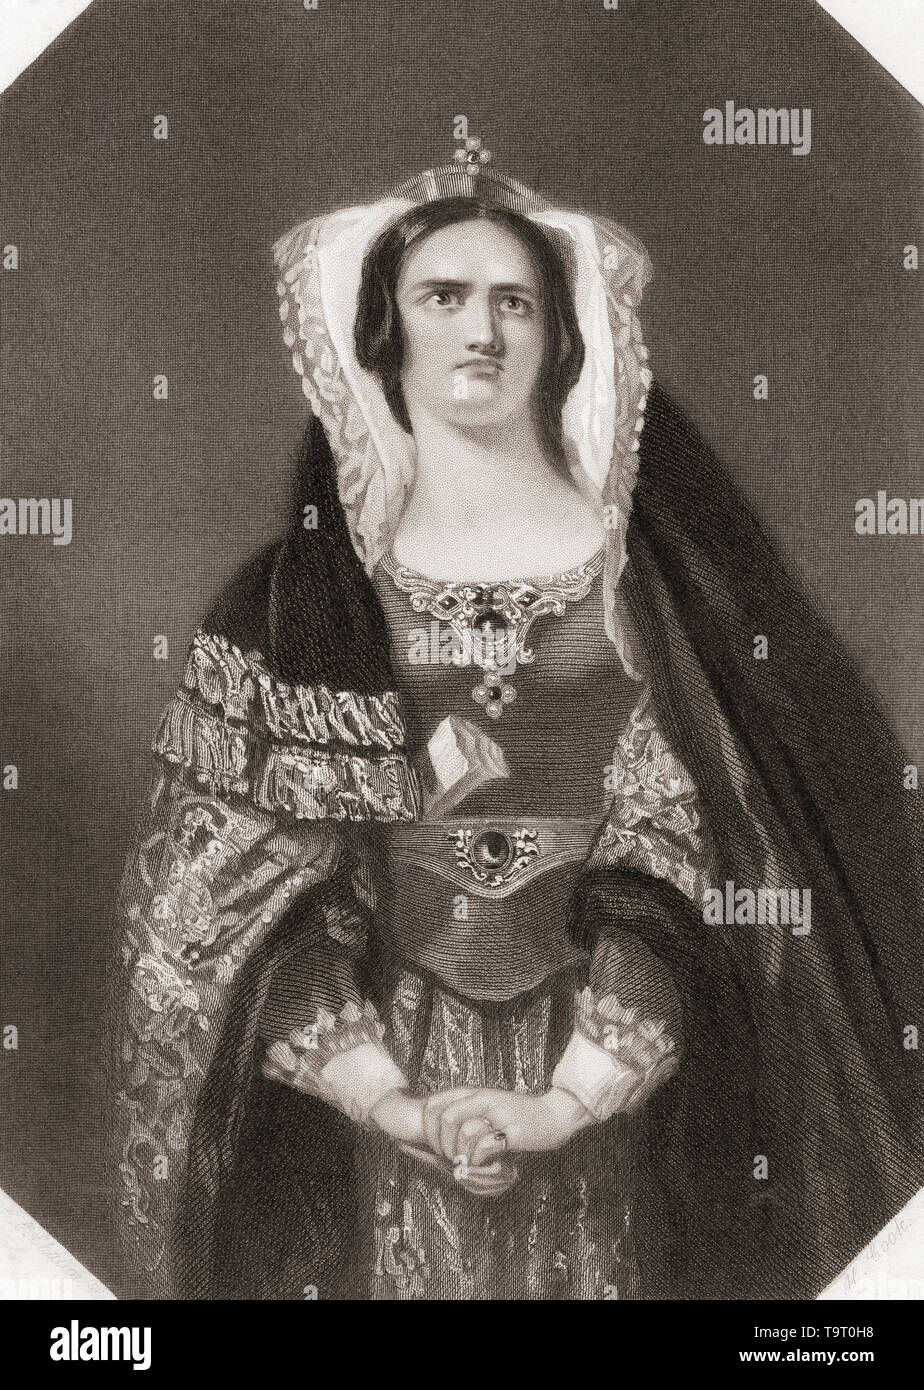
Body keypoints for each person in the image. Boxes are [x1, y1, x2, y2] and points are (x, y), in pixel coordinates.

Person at [111, 138, 924, 1300]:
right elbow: (230, 902)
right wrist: (393, 1099)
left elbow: (693, 865)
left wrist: (565, 1100)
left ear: (560, 339)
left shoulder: (654, 593)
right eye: (443, 297)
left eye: (515, 303)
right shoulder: (299, 608)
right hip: (379, 1109)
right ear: (384, 334)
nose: (481, 332)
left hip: (618, 1104)